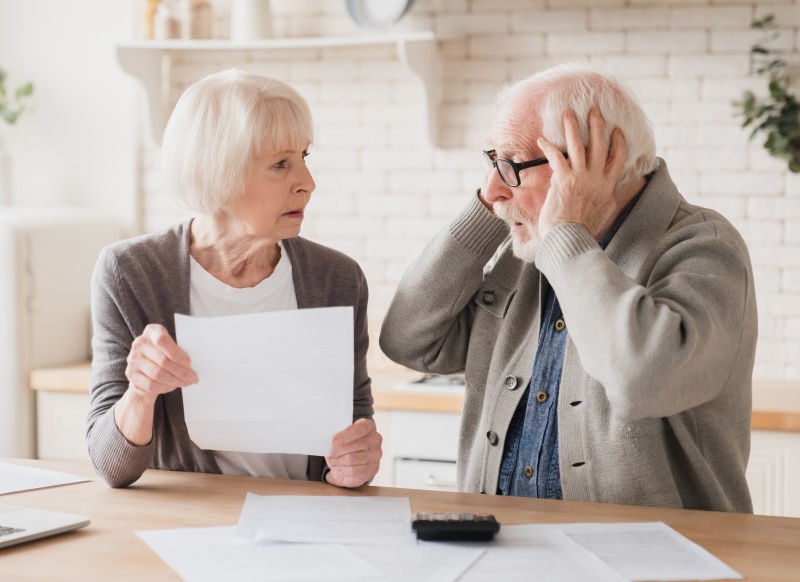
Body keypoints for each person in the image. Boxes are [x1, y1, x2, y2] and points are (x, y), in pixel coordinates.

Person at [379, 61, 757, 512]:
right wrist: (491, 212)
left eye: (513, 163)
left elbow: (644, 382)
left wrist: (565, 237)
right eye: (492, 161)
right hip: (501, 548)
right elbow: (408, 341)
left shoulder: (704, 246)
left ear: (598, 162)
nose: (492, 187)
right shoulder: (528, 252)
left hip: (649, 561)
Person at [87, 70, 381, 489]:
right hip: (190, 528)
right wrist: (141, 392)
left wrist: (356, 463)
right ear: (216, 173)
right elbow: (111, 468)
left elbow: (353, 423)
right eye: (281, 164)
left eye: (304, 158)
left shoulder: (338, 279)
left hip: (309, 522)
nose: (308, 184)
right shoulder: (130, 273)